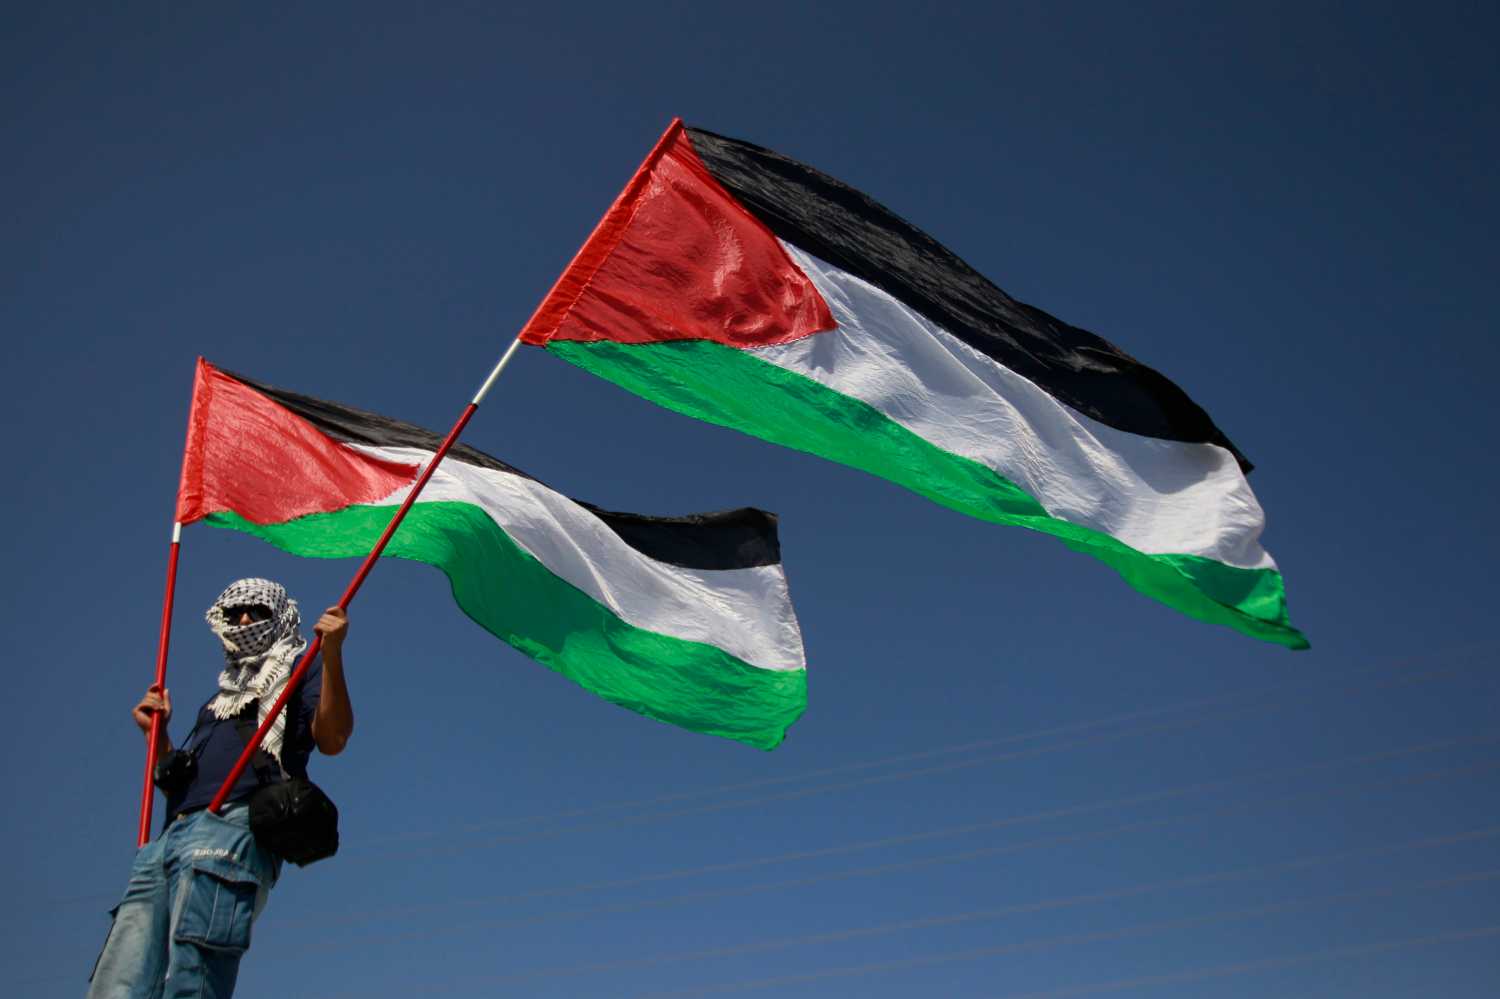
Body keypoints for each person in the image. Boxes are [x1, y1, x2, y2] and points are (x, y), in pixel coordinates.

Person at [87, 578, 354, 999]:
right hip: (168, 838)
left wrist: (332, 654)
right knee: (119, 976)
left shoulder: (303, 667)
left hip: (231, 827)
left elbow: (333, 739)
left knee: (195, 973)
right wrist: (156, 738)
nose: (243, 620)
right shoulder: (218, 699)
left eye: (256, 612)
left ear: (279, 617)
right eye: (235, 613)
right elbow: (179, 782)